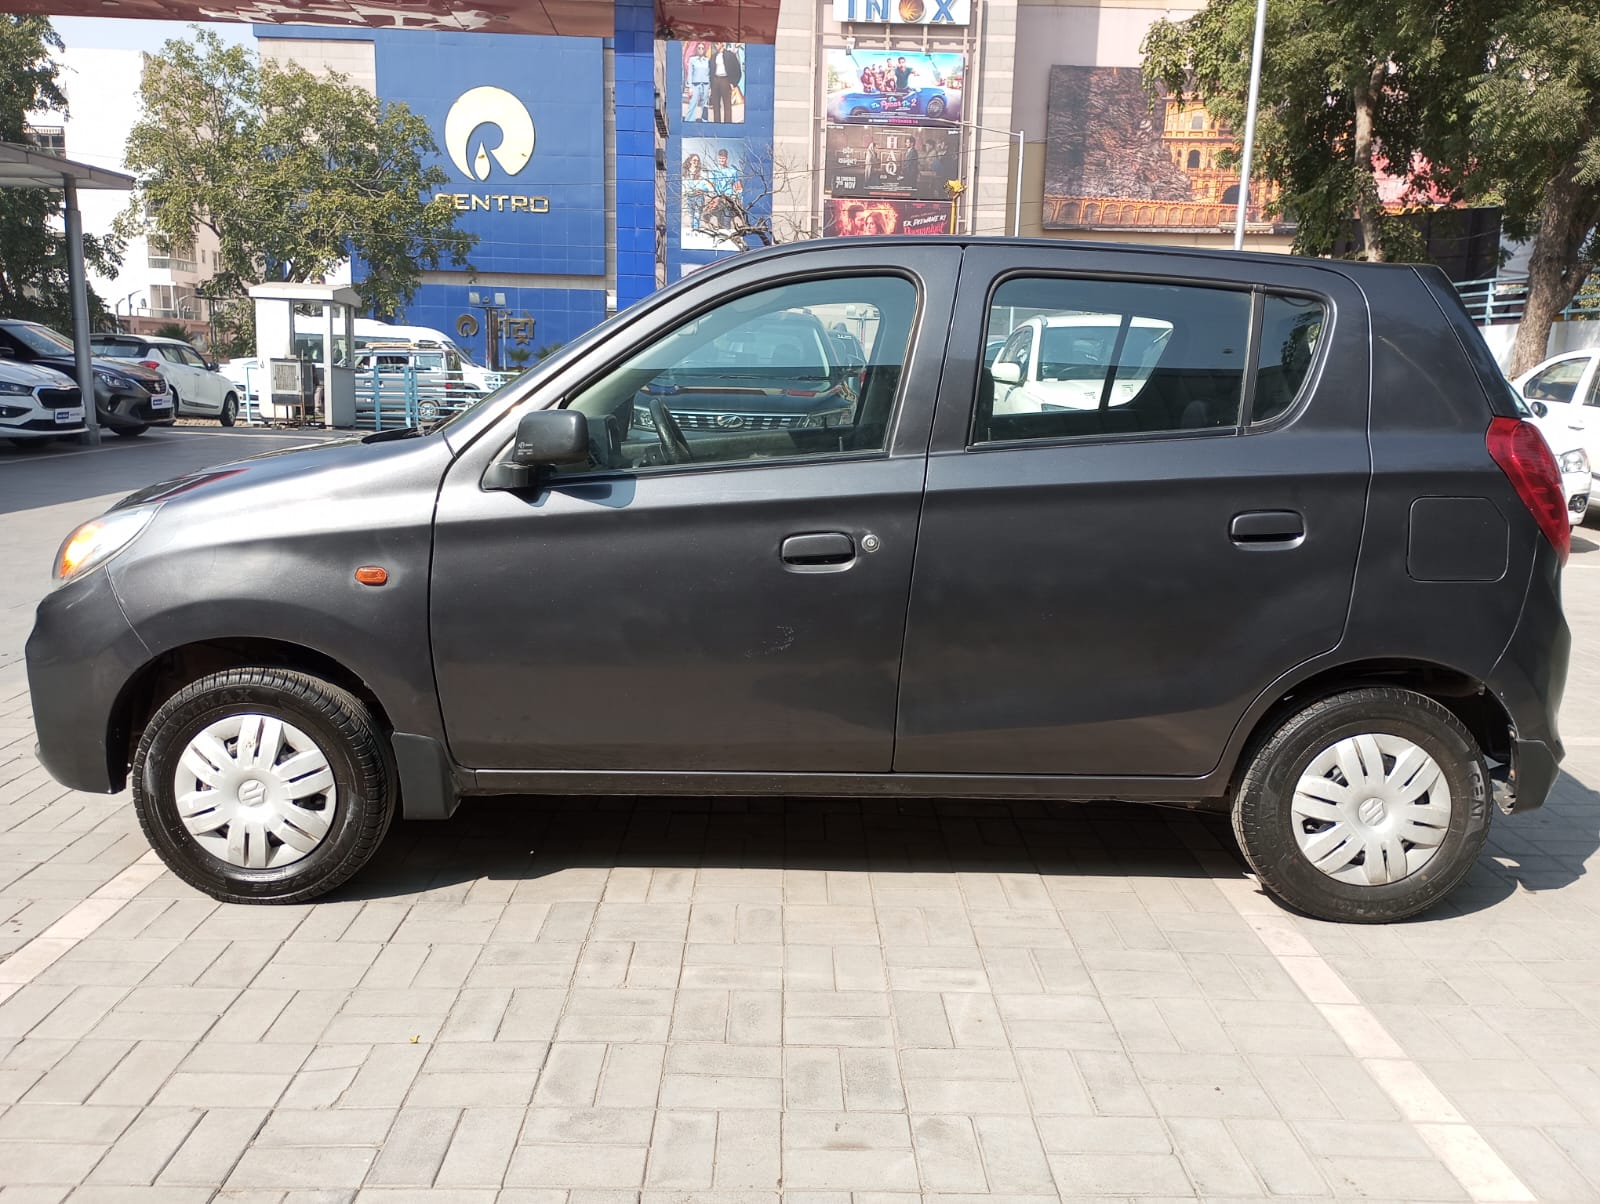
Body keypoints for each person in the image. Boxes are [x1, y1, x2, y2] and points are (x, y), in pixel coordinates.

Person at [709, 43, 742, 123]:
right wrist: (711, 85)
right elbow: (710, 71)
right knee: (716, 105)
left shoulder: (730, 55)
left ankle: (727, 124)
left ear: (722, 44)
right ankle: (717, 124)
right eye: (715, 44)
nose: (715, 45)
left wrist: (733, 83)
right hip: (715, 80)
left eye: (717, 44)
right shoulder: (713, 57)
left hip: (725, 80)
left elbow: (737, 70)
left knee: (727, 105)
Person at [708, 147, 740, 230]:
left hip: (728, 199)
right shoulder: (714, 171)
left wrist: (737, 198)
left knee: (726, 220)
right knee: (719, 220)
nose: (722, 160)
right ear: (718, 158)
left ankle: (727, 237)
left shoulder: (733, 171)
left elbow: (737, 186)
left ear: (727, 158)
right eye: (720, 158)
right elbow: (711, 185)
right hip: (717, 199)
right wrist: (714, 197)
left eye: (723, 158)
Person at [682, 153, 709, 233]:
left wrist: (701, 189)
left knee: (697, 214)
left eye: (697, 160)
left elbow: (706, 185)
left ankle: (696, 230)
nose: (696, 162)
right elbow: (683, 184)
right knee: (691, 214)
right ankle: (692, 230)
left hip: (699, 196)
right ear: (690, 161)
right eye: (694, 160)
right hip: (689, 196)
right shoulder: (685, 172)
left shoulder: (701, 172)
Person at [685, 43, 711, 122]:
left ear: (704, 50)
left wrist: (710, 87)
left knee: (705, 104)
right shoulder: (692, 60)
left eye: (702, 48)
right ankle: (689, 120)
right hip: (695, 84)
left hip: (706, 84)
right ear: (696, 49)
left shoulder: (707, 60)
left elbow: (710, 73)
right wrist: (689, 87)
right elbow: (690, 73)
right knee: (692, 103)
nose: (700, 50)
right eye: (699, 48)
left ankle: (705, 120)